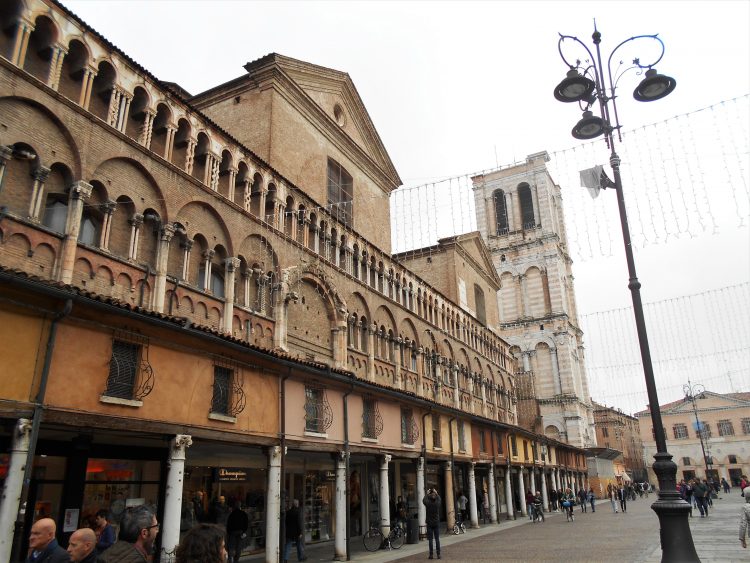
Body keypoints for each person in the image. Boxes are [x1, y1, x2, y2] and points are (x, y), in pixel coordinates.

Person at [423, 487, 441, 560]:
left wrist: (427, 494)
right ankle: (438, 554)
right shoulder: (437, 503)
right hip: (436, 523)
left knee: (430, 540)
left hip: (429, 523)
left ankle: (431, 554)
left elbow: (424, 500)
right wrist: (436, 493)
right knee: (437, 539)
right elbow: (439, 499)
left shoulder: (428, 503)